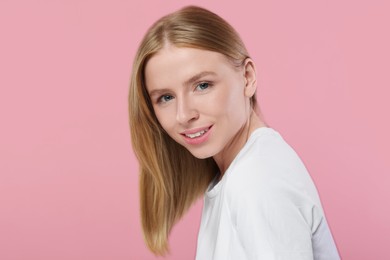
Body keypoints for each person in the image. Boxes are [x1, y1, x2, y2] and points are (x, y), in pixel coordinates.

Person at [128, 5, 340, 260]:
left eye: (202, 85)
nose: (183, 114)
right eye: (166, 97)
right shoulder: (241, 172)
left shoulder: (257, 181)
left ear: (248, 77)